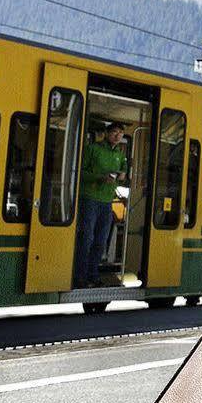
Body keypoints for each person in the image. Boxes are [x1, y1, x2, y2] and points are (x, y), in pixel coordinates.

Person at [74, 122, 127, 289]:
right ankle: (79, 277)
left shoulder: (120, 154)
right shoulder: (93, 149)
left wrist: (121, 176)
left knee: (100, 241)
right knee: (86, 238)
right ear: (106, 133)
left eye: (120, 134)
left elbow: (124, 173)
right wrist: (100, 178)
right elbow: (80, 172)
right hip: (89, 199)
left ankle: (93, 275)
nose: (117, 136)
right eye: (114, 132)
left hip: (106, 202)